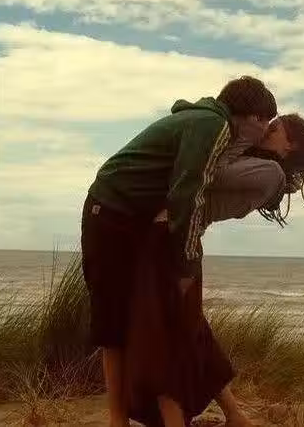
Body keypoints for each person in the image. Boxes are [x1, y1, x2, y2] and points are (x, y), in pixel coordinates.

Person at [81, 76, 277, 427]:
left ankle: (140, 416)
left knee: (155, 320)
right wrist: (186, 265)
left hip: (133, 220)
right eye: (264, 121)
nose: (264, 131)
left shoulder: (209, 124)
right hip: (109, 213)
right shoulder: (213, 126)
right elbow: (188, 193)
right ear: (250, 116)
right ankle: (116, 419)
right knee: (112, 321)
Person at [123, 113, 304, 427]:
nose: (266, 129)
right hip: (178, 240)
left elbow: (205, 173)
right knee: (193, 332)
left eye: (274, 128)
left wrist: (233, 139)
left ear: (291, 146)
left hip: (172, 243)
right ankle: (235, 415)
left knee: (167, 338)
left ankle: (184, 419)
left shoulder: (270, 172)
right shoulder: (263, 168)